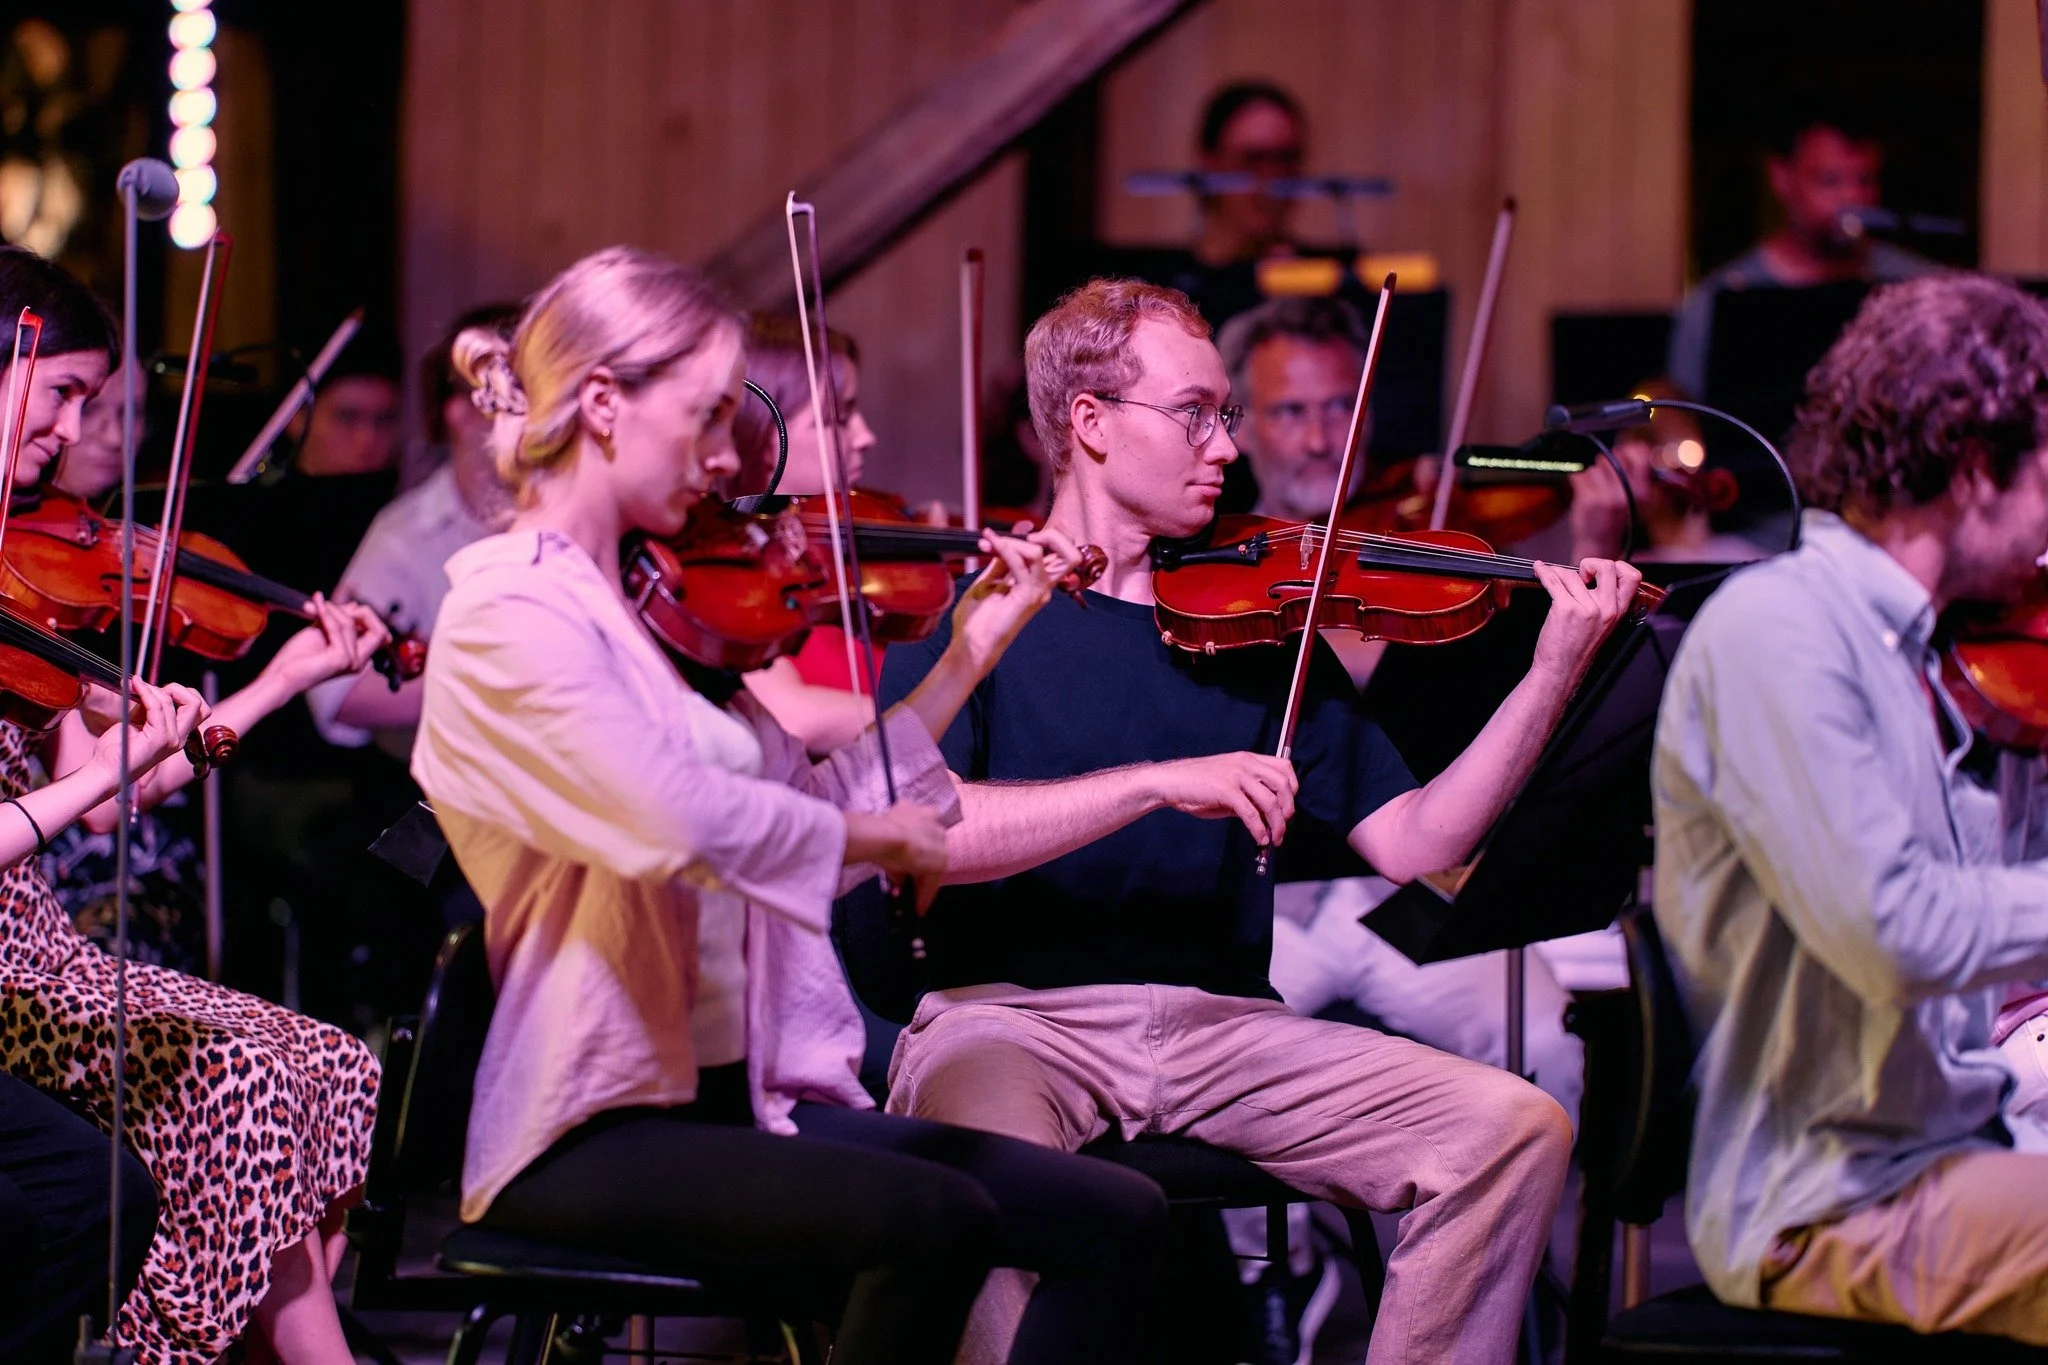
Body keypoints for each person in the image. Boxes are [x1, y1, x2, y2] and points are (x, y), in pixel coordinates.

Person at [414, 246, 1168, 1365]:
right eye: (705, 418)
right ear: (605, 404)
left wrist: (968, 655)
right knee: (934, 1222)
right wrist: (872, 833)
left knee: (1120, 1217)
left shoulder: (649, 610)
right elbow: (673, 820)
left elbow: (802, 807)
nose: (728, 458)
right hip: (588, 1119)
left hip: (741, 1093)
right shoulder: (507, 613)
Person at [871, 277, 1643, 1365]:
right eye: (1194, 414)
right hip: (1009, 1020)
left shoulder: (1261, 618)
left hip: (1222, 1027)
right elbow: (929, 835)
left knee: (1510, 1128)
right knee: (989, 1188)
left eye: (1225, 414)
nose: (1226, 448)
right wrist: (1154, 783)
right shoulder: (977, 612)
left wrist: (1550, 673)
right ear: (1089, 422)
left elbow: (1420, 842)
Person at [0, 245, 393, 1365]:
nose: (77, 431)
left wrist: (275, 683)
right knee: (240, 1081)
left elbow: (119, 793)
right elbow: (91, 790)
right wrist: (99, 773)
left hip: (45, 953)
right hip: (11, 983)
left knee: (330, 1063)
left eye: (90, 402)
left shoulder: (24, 576)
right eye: (63, 393)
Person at [1653, 273, 2048, 1343]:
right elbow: (1893, 930)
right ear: (1974, 469)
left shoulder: (1928, 650)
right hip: (1827, 1196)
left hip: (1952, 1150)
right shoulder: (1780, 628)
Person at [1215, 292, 1587, 1126]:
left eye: (1340, 408)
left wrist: (1590, 541)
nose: (1322, 438)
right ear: (1241, 428)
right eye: (1290, 412)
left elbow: (1527, 712)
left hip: (1409, 892)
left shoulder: (1431, 553)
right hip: (1267, 902)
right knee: (1198, 1065)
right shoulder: (1205, 573)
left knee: (1548, 1039)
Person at [305, 303, 522, 758]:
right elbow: (336, 691)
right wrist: (506, 690)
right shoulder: (407, 534)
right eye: (519, 391)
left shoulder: (571, 513)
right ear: (461, 411)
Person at [1666, 109, 1939, 400]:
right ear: (1781, 177)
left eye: (1864, 180)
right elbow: (1678, 406)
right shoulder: (1718, 297)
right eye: (1830, 181)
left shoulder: (1921, 287)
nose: (1853, 198)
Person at [729, 313, 888, 752]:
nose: (865, 436)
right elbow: (793, 716)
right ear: (767, 437)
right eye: (839, 418)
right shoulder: (731, 569)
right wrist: (951, 711)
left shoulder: (838, 553)